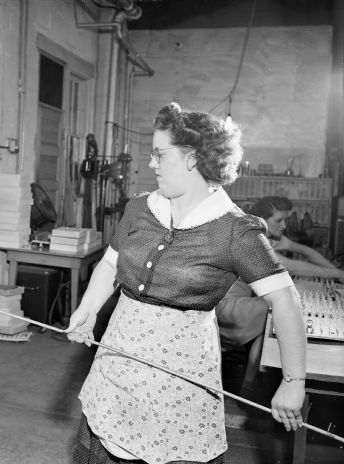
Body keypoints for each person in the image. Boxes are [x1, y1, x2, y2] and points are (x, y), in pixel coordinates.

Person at [65, 102, 306, 464]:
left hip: (180, 380)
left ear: (192, 159)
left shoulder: (234, 230)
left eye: (160, 154)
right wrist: (87, 310)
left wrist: (292, 383)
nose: (151, 163)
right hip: (116, 363)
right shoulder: (139, 208)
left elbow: (287, 302)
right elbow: (109, 264)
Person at [216, 196, 344, 398]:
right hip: (228, 309)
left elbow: (305, 251)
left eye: (285, 220)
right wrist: (340, 275)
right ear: (261, 219)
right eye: (279, 220)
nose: (284, 225)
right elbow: (295, 266)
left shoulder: (271, 236)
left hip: (246, 305)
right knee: (283, 305)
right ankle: (252, 386)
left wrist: (337, 274)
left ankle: (249, 387)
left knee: (269, 325)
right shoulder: (252, 238)